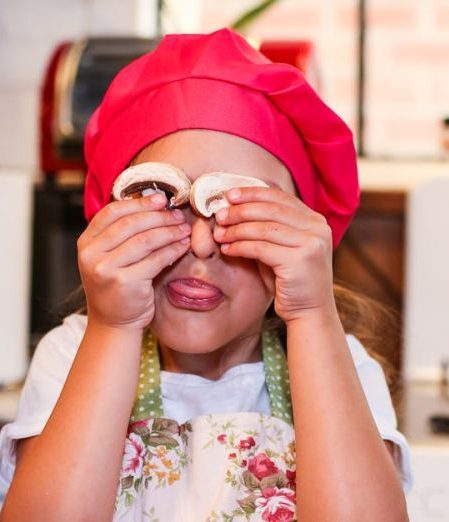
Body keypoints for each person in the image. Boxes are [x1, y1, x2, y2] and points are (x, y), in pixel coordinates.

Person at [0, 28, 411, 521]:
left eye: (238, 213)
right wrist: (114, 327)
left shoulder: (340, 365)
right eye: (160, 202)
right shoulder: (73, 353)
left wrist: (311, 314)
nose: (199, 245)